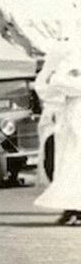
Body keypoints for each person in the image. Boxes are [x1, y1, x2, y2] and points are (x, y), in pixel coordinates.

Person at [32, 37, 81, 224]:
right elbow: (48, 84)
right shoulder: (66, 55)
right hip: (66, 120)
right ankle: (71, 208)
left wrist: (64, 81)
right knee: (65, 165)